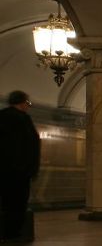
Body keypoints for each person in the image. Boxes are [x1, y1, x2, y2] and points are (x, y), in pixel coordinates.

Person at [0, 90, 40, 242]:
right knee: (18, 203)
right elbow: (31, 146)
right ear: (22, 103)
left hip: (3, 170)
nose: (28, 106)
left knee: (4, 202)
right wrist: (32, 169)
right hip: (20, 172)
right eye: (28, 103)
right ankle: (12, 234)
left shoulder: (1, 116)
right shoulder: (23, 119)